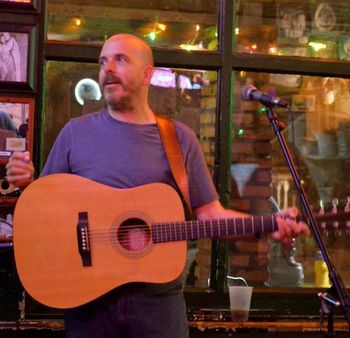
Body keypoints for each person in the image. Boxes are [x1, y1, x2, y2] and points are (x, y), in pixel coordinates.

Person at [6, 33, 309, 338]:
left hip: (158, 307)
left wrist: (267, 224)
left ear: (147, 74)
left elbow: (210, 216)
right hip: (89, 305)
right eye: (102, 61)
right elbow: (44, 217)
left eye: (120, 59)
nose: (107, 68)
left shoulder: (179, 140)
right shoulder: (75, 134)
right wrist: (28, 183)